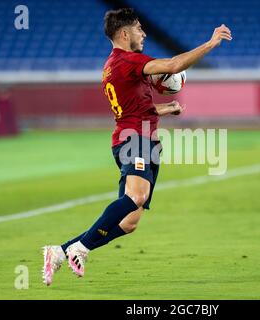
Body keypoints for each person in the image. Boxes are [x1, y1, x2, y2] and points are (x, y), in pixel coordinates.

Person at [42, 7, 232, 285]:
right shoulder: (125, 62)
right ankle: (79, 249)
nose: (144, 33)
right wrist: (210, 43)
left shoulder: (117, 65)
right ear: (124, 32)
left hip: (145, 140)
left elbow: (133, 108)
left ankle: (58, 252)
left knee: (129, 222)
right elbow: (173, 66)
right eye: (139, 28)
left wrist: (165, 109)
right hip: (134, 140)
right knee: (136, 197)